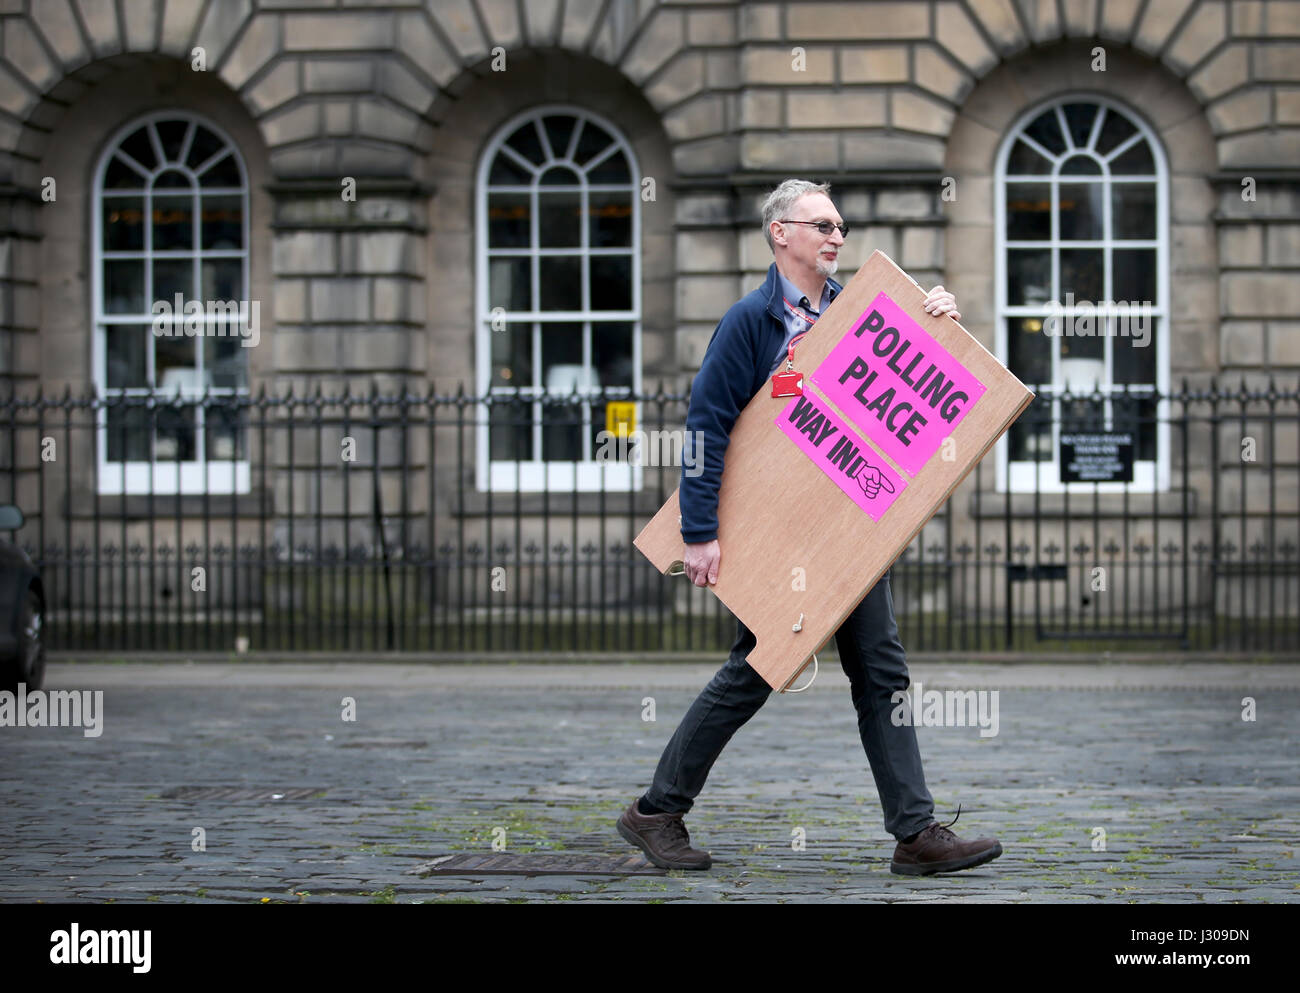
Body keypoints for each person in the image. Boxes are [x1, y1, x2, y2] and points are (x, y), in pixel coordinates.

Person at [617, 179, 1003, 876]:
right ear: (781, 233)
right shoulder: (750, 322)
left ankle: (915, 832)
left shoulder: (867, 313)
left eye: (842, 226)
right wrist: (699, 531)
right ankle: (655, 809)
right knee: (757, 669)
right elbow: (706, 427)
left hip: (851, 529)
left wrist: (939, 320)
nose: (837, 236)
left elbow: (917, 395)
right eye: (822, 224)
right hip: (780, 531)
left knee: (880, 670)